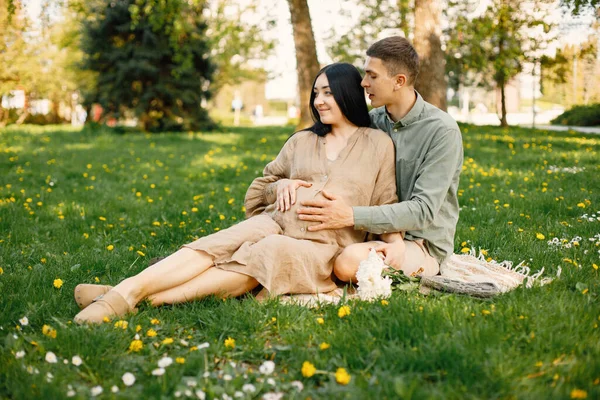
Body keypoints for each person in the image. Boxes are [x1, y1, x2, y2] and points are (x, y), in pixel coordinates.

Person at [73, 63, 399, 324]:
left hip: (322, 245)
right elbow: (262, 188)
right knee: (219, 243)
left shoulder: (378, 145)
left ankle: (131, 298)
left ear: (347, 93)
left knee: (267, 252)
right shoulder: (302, 141)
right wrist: (279, 186)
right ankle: (127, 292)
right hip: (274, 220)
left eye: (328, 92)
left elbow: (387, 206)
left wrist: (395, 254)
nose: (319, 101)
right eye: (316, 93)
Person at [296, 36, 464, 281]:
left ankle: (419, 267)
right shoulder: (371, 123)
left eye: (372, 76)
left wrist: (351, 216)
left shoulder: (441, 131)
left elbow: (423, 210)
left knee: (348, 263)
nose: (363, 83)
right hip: (368, 235)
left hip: (419, 243)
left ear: (399, 81)